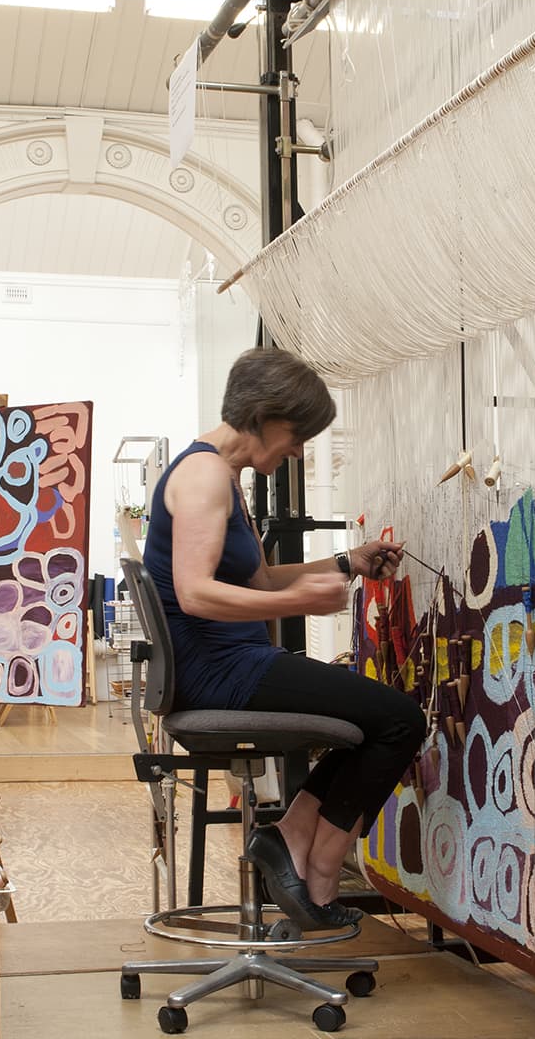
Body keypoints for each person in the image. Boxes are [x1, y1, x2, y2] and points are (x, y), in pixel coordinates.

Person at [141, 347, 426, 929]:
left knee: (379, 720)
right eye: (297, 435)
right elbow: (194, 594)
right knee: (399, 720)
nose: (298, 450)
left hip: (235, 661)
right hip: (218, 671)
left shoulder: (223, 476)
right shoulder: (202, 477)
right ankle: (317, 860)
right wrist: (301, 600)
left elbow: (260, 578)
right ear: (266, 417)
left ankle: (293, 839)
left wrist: (346, 563)